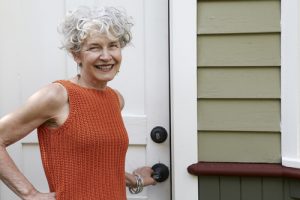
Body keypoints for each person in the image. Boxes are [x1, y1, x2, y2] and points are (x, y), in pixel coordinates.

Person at [0, 6, 156, 200]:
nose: (106, 56)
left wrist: (135, 180)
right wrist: (30, 194)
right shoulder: (58, 96)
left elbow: (94, 164)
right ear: (76, 54)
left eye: (113, 45)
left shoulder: (115, 99)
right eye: (94, 47)